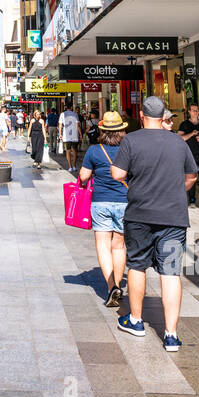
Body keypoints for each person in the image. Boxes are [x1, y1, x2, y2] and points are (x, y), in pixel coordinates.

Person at [109, 96, 199, 352]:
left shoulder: (131, 140)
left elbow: (117, 174)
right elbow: (192, 176)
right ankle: (171, 335)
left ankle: (136, 320)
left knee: (137, 266)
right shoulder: (178, 142)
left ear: (141, 115)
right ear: (164, 117)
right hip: (173, 216)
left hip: (139, 214)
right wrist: (174, 189)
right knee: (170, 273)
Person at [78, 110, 130, 307]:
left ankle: (111, 287)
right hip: (125, 202)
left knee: (103, 245)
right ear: (121, 131)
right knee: (119, 246)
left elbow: (83, 177)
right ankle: (118, 282)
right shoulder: (128, 149)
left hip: (100, 203)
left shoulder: (94, 150)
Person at [178, 105, 199, 212]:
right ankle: (192, 200)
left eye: (197, 111)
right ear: (189, 112)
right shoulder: (184, 124)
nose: (196, 112)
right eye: (193, 111)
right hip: (188, 155)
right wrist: (191, 134)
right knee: (190, 177)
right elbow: (179, 138)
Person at [60, 105, 81, 171]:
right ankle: (74, 166)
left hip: (66, 136)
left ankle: (70, 167)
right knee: (75, 151)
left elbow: (60, 124)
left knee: (68, 151)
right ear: (71, 107)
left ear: (66, 108)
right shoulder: (75, 114)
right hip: (74, 135)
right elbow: (78, 125)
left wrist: (60, 134)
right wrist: (80, 134)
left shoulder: (62, 114)